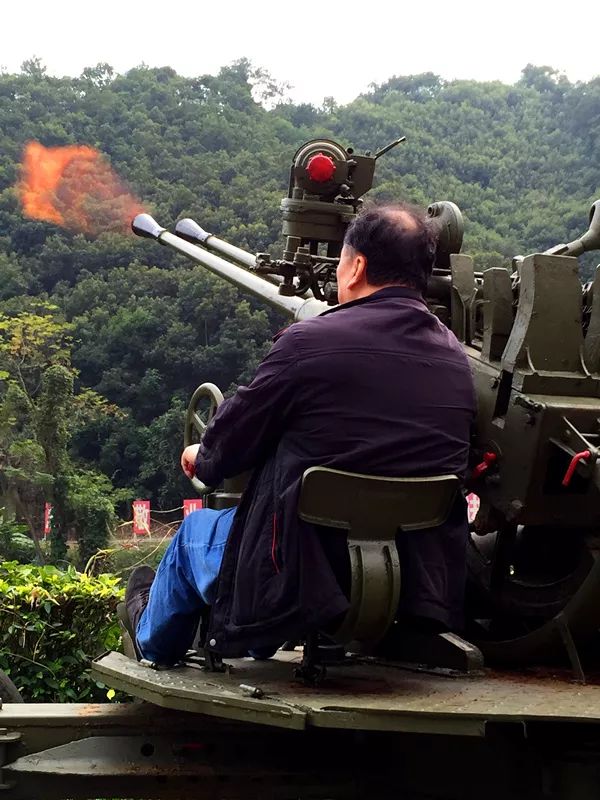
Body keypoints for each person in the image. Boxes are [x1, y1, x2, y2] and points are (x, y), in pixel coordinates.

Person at [126, 203, 476, 665]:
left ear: (356, 267)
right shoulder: (456, 361)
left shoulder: (308, 344)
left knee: (195, 533)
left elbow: (222, 452)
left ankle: (148, 634)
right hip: (414, 579)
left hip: (297, 575)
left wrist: (200, 453)